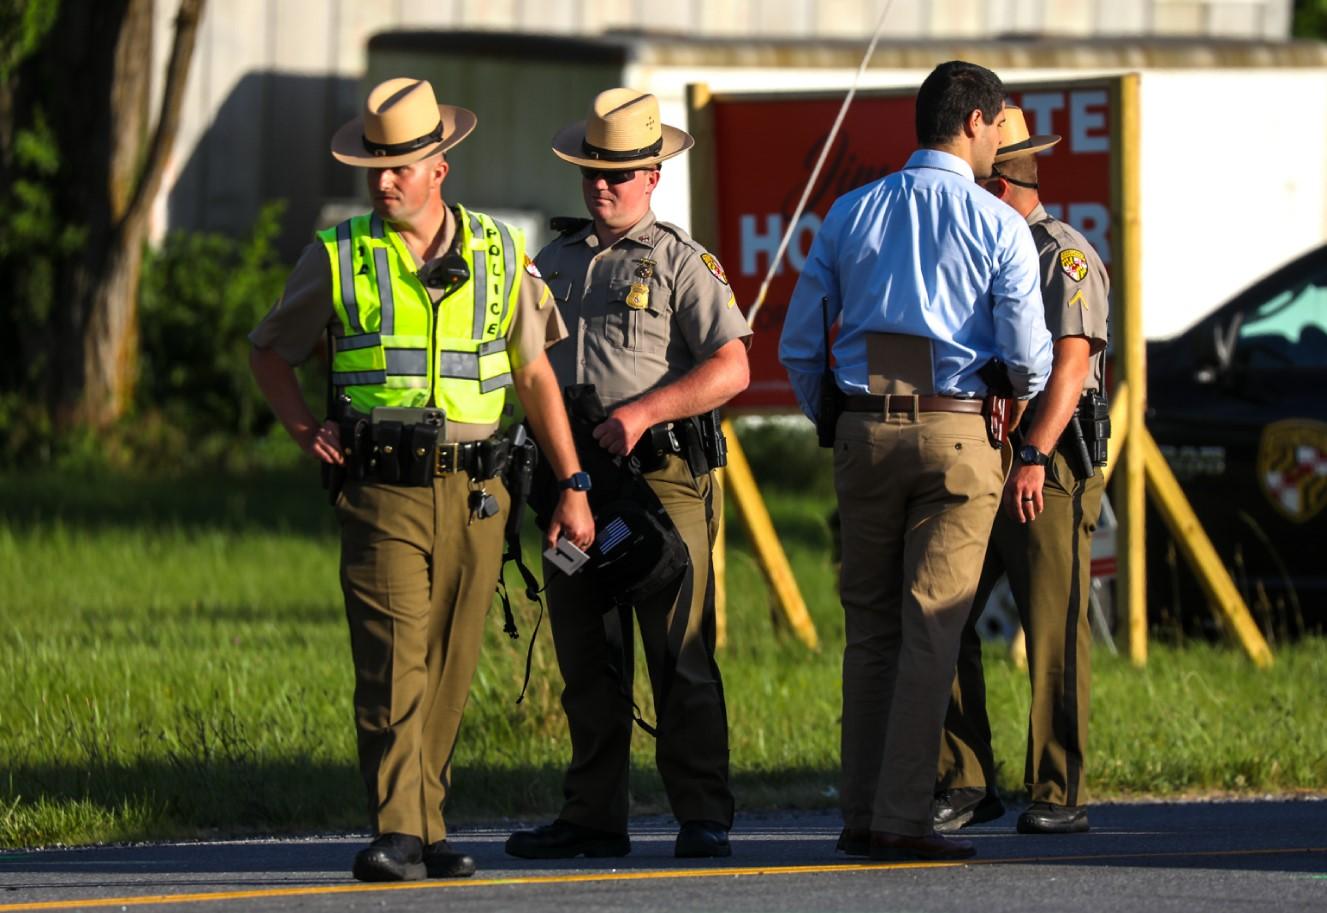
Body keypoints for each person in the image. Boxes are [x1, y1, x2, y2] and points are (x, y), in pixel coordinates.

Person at [248, 77, 594, 882]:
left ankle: (428, 823)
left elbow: (534, 373)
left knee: (449, 662)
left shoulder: (501, 251)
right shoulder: (336, 255)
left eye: (400, 164)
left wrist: (573, 481)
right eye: (373, 165)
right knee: (395, 657)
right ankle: (398, 827)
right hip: (383, 489)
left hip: (480, 493)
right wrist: (306, 428)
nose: (383, 180)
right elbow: (270, 350)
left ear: (440, 165)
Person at [779, 61, 1053, 861]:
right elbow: (1027, 357)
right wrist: (1006, 397)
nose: (1003, 137)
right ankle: (902, 817)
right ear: (972, 122)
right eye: (1000, 122)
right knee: (931, 625)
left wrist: (837, 418)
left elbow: (801, 344)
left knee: (868, 629)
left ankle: (860, 812)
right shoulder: (995, 222)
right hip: (955, 426)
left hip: (863, 426)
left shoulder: (848, 212)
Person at [503, 88, 751, 861]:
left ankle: (701, 811)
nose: (600, 185)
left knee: (679, 651)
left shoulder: (681, 261)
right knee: (584, 651)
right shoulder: (547, 264)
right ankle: (592, 814)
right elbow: (521, 363)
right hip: (569, 483)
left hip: (657, 480)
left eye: (616, 173)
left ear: (652, 174)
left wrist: (644, 412)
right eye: (589, 172)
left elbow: (733, 366)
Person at [934, 106, 1111, 836]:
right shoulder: (985, 248)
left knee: (1051, 628)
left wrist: (1034, 453)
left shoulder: (1058, 255)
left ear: (1000, 185)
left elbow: (1070, 368)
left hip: (1048, 460)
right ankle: (966, 778)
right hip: (983, 454)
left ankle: (1057, 787)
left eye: (973, 185)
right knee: (941, 617)